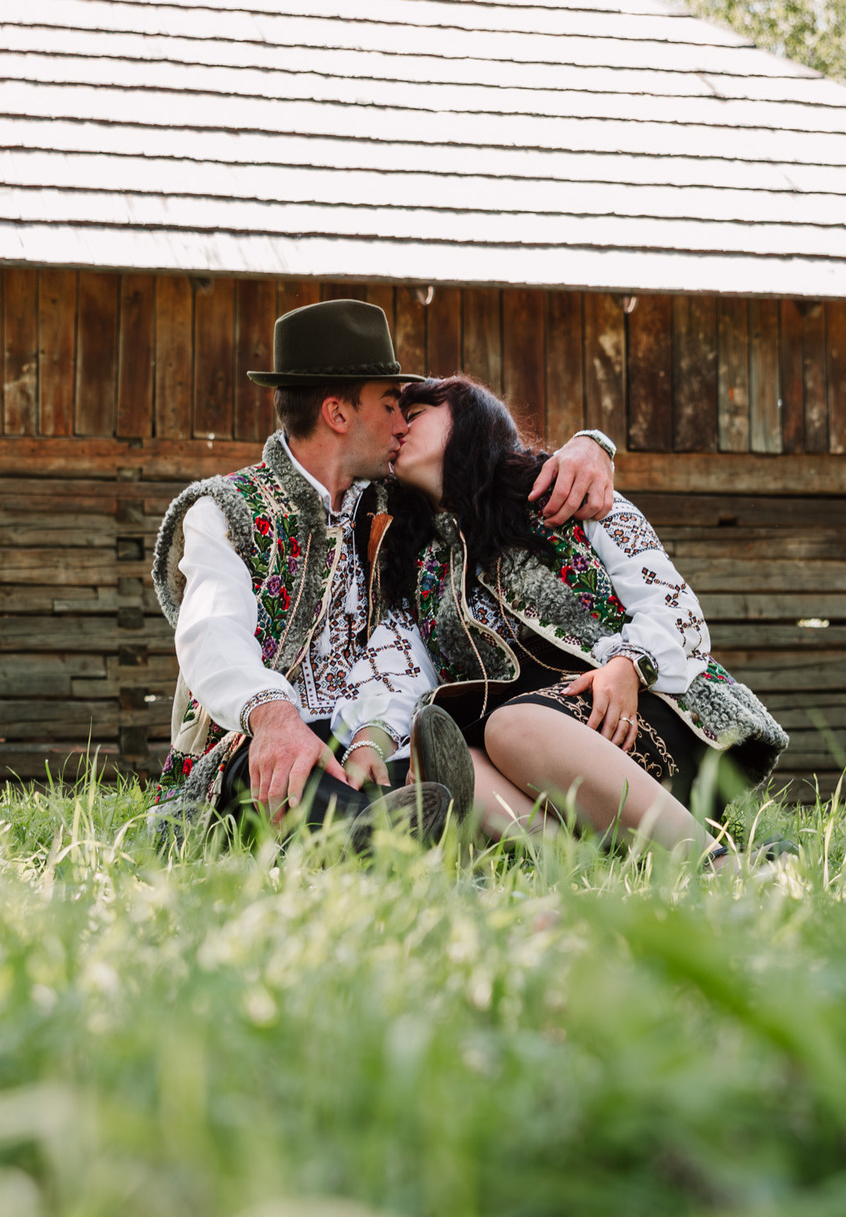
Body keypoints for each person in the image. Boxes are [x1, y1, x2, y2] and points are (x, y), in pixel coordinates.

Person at [148, 300, 617, 843]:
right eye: (392, 405)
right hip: (263, 745)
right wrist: (274, 718)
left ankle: (413, 836)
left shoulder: (400, 511)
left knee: (443, 772)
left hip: (372, 744)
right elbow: (211, 630)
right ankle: (396, 842)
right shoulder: (227, 510)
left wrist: (592, 446)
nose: (403, 424)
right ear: (338, 414)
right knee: (289, 776)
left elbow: (487, 465)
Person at [377, 375, 787, 859]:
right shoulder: (417, 562)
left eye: (417, 413)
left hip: (647, 712)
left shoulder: (568, 493)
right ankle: (584, 868)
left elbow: (676, 609)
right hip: (535, 755)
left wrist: (629, 665)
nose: (400, 426)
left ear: (468, 420)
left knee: (508, 728)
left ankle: (714, 863)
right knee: (448, 763)